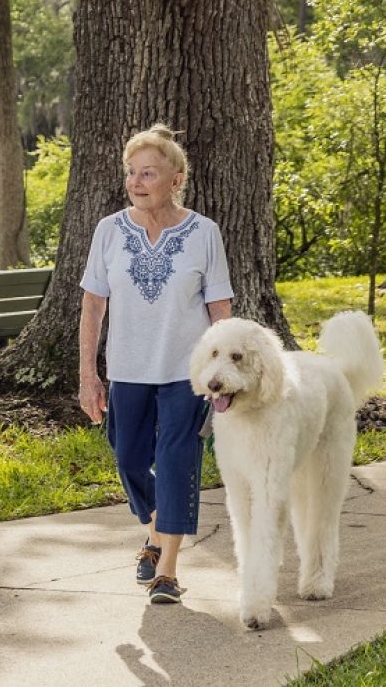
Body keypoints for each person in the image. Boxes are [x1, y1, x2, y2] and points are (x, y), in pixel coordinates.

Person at [78, 123, 233, 604]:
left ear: (176, 180)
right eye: (131, 173)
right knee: (127, 457)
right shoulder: (109, 231)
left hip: (186, 373)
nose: (137, 181)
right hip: (127, 368)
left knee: (175, 462)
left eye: (148, 172)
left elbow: (220, 310)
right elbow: (92, 306)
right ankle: (154, 532)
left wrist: (222, 375)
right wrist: (88, 374)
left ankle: (166, 570)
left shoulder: (203, 233)